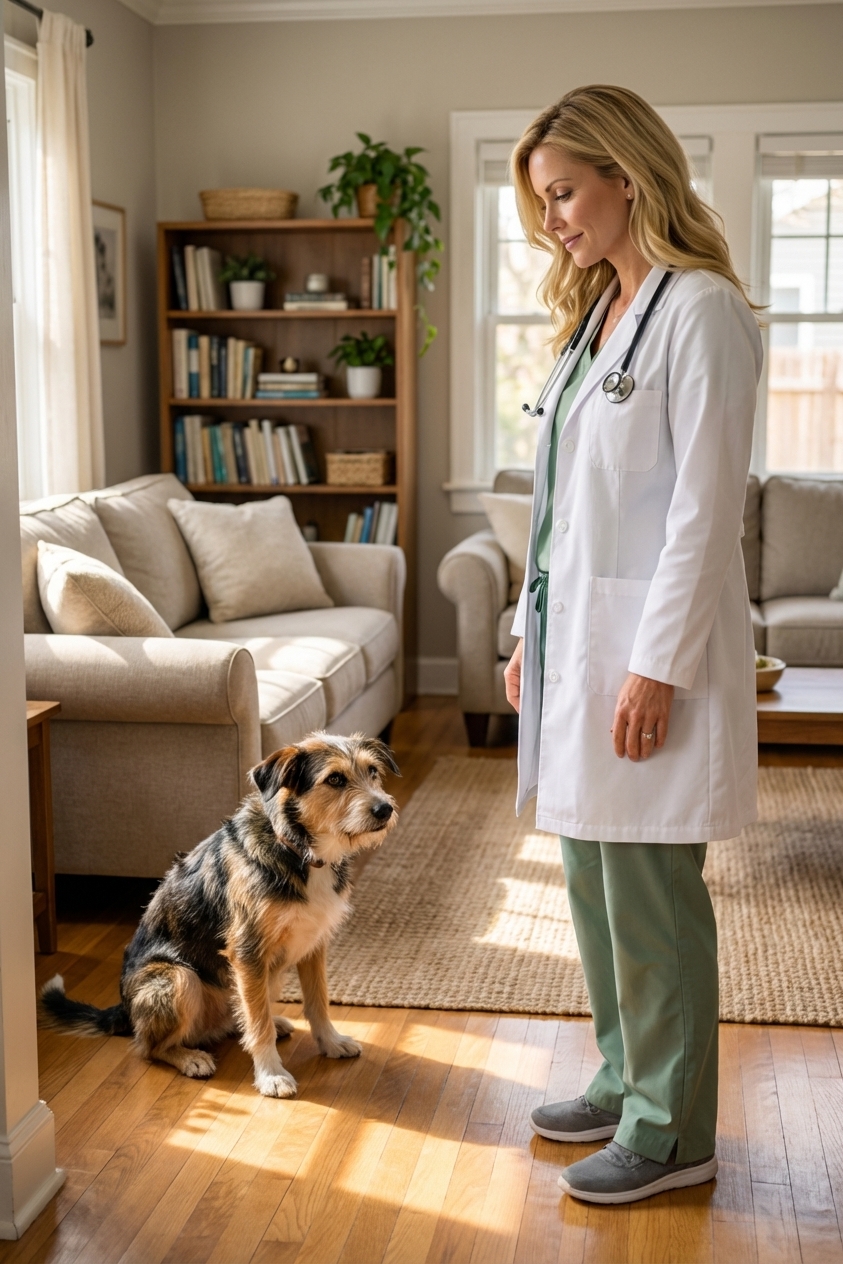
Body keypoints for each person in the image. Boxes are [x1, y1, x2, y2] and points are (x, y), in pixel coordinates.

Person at [503, 85, 762, 1206]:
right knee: (592, 876)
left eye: (564, 191)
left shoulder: (701, 312)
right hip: (575, 645)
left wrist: (656, 663)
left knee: (651, 891)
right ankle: (621, 1078)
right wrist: (527, 632)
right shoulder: (599, 315)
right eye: (543, 199)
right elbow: (558, 501)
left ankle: (671, 1130)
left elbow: (706, 513)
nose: (553, 218)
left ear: (627, 175)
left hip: (647, 651)